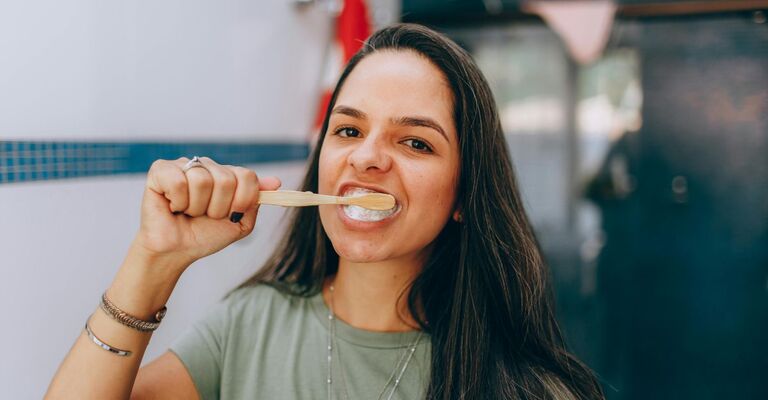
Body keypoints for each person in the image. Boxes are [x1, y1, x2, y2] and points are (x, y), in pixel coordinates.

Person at [46, 23, 604, 399]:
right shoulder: (251, 324)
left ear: (464, 196)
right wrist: (153, 261)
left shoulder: (530, 387)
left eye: (415, 143)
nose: (366, 157)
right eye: (349, 129)